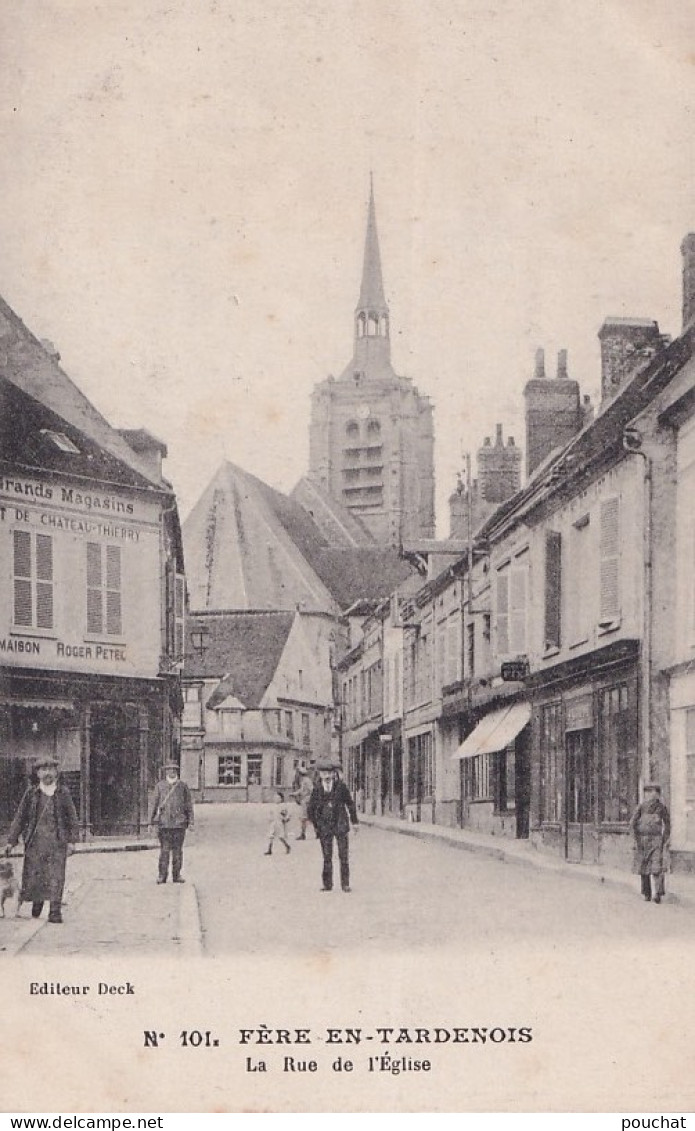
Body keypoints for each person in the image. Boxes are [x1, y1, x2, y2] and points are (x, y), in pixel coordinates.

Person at [4, 756, 79, 924]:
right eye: (43, 770)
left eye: (51, 769)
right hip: (35, 843)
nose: (47, 773)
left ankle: (55, 911)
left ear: (56, 772)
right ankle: (37, 903)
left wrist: (72, 841)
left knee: (56, 876)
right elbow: (20, 818)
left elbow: (72, 818)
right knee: (36, 875)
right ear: (37, 773)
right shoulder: (31, 793)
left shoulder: (63, 793)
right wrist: (11, 841)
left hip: (57, 843)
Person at [307, 761, 359, 893]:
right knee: (327, 856)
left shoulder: (341, 787)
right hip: (325, 827)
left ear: (333, 774)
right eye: (324, 773)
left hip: (340, 824)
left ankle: (345, 884)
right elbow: (311, 809)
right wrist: (316, 825)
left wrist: (355, 822)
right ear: (320, 774)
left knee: (343, 855)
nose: (327, 776)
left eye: (329, 773)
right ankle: (327, 884)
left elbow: (350, 804)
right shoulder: (317, 789)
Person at [149, 760, 194, 884]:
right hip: (164, 824)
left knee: (178, 851)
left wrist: (191, 821)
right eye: (169, 769)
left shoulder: (183, 786)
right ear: (166, 771)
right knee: (164, 851)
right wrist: (150, 822)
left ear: (177, 771)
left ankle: (177, 875)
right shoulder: (160, 786)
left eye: (174, 769)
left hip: (179, 824)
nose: (172, 772)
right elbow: (154, 804)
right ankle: (162, 876)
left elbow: (188, 805)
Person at [630, 782, 671, 903]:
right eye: (649, 792)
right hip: (642, 840)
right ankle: (646, 893)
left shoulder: (661, 808)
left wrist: (665, 838)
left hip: (657, 840)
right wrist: (634, 840)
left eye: (654, 792)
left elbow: (668, 824)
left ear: (658, 794)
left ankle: (658, 893)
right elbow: (632, 823)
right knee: (644, 867)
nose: (652, 795)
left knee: (657, 866)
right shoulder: (641, 807)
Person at [264, 791, 292, 856]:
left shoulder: (283, 806)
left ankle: (287, 846)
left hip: (279, 823)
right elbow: (270, 814)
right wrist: (269, 819)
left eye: (278, 798)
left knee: (280, 836)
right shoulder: (273, 806)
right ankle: (269, 849)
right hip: (273, 822)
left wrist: (286, 818)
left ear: (281, 799)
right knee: (271, 835)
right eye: (275, 798)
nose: (276, 799)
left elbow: (287, 814)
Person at [292, 766, 314, 840]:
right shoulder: (304, 780)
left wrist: (296, 794)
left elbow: (310, 790)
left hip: (306, 800)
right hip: (305, 800)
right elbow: (302, 790)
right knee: (308, 818)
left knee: (304, 818)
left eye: (298, 773)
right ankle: (317, 833)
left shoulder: (306, 780)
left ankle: (303, 834)